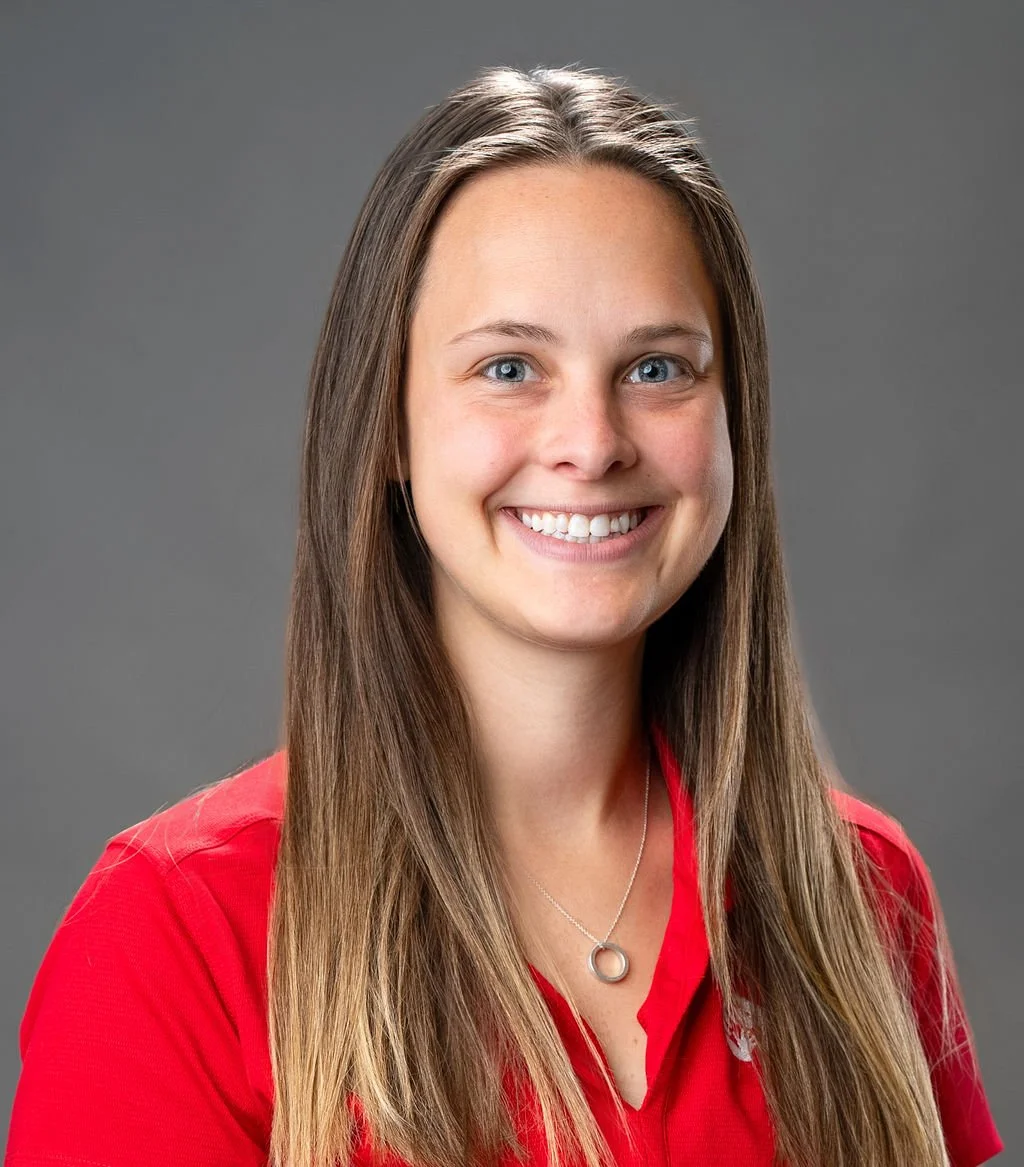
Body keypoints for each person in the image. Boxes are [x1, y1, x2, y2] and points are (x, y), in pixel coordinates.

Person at [5, 65, 1003, 1167]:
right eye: (510, 366)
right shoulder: (176, 930)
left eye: (658, 367)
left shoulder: (862, 893)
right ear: (386, 423)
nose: (592, 440)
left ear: (734, 422)